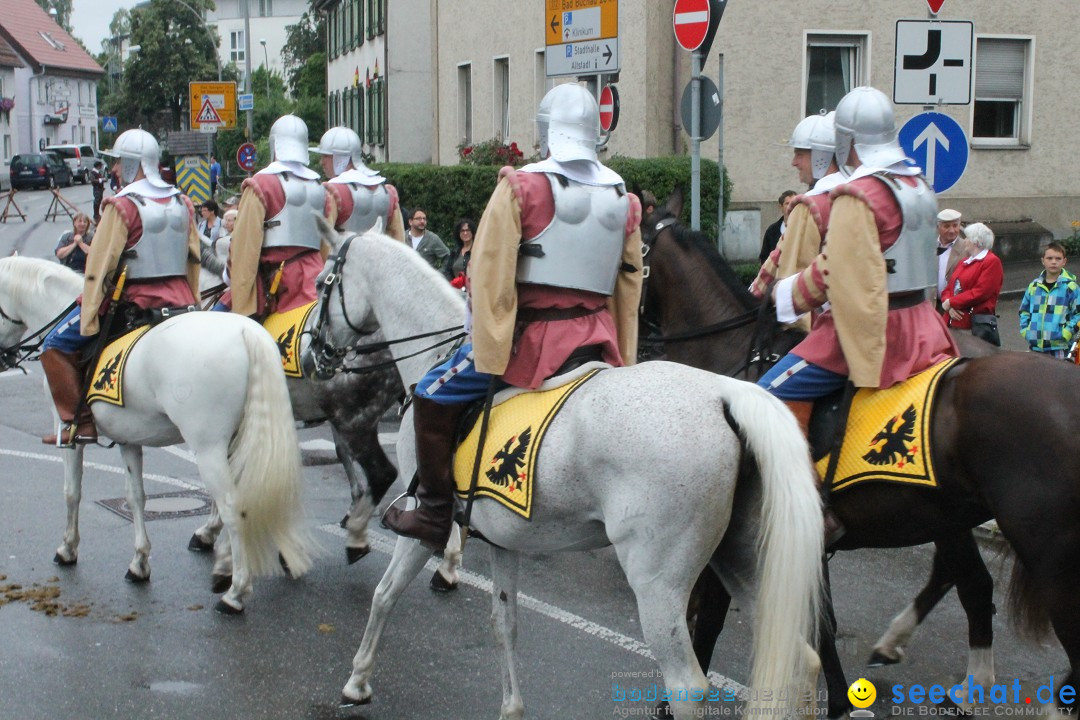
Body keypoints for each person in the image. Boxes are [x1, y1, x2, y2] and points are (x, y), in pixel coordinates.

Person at [382, 82, 644, 550]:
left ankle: (435, 513)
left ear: (545, 132)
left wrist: (486, 339)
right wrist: (625, 351)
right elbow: (628, 284)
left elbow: (489, 274)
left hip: (533, 341)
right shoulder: (623, 197)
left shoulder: (521, 187)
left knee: (430, 392)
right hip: (597, 338)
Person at [757, 87, 959, 547]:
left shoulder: (860, 194)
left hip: (871, 331)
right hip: (924, 324)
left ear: (845, 142)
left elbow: (834, 271)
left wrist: (786, 295)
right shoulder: (918, 186)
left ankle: (812, 508)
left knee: (765, 397)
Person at [38, 129, 201, 446]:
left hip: (135, 301)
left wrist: (89, 314)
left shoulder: (121, 205)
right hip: (182, 301)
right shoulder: (182, 201)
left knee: (53, 344)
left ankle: (79, 423)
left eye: (118, 162)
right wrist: (192, 300)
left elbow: (98, 270)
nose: (113, 169)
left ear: (131, 164)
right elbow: (192, 259)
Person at [217, 114, 326, 318]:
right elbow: (326, 246)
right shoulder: (319, 186)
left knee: (215, 322)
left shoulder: (262, 184)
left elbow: (244, 248)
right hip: (317, 281)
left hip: (279, 287)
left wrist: (232, 281)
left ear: (274, 145)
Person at [750, 112, 845, 331]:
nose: (794, 162)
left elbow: (791, 274)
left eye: (799, 154)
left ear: (820, 156)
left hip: (821, 330)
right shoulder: (856, 195)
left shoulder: (809, 207)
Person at [316, 126, 406, 243]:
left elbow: (324, 241)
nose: (321, 162)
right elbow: (398, 239)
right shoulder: (387, 192)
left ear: (339, 158)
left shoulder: (332, 191)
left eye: (326, 156)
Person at [941, 222, 1004, 344]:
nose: (965, 241)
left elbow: (981, 292)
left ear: (976, 241)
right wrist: (949, 305)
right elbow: (949, 287)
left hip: (972, 326)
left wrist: (951, 302)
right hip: (951, 322)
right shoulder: (964, 261)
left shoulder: (991, 261)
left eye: (967, 238)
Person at [1019, 242, 1080, 359]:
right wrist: (1026, 331)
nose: (1053, 262)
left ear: (1064, 261)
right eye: (1049, 258)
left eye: (1058, 259)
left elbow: (1078, 314)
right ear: (1043, 261)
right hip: (1035, 347)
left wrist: (1066, 333)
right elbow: (1024, 311)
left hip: (1059, 348)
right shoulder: (1034, 286)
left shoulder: (1070, 287)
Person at [406, 208, 450, 272]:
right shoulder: (402, 237)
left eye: (424, 219)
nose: (422, 221)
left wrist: (438, 274)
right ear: (410, 222)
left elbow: (448, 257)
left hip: (424, 280)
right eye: (418, 219)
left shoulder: (432, 239)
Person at [935, 208, 965, 305]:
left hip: (955, 307)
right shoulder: (929, 246)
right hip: (932, 305)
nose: (952, 230)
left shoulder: (966, 248)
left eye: (955, 226)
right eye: (946, 226)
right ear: (938, 227)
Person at [758, 190, 796, 264]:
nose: (791, 207)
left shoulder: (804, 229)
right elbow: (764, 257)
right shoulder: (772, 231)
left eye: (793, 204)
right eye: (787, 203)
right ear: (781, 207)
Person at [444, 217, 476, 288]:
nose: (465, 233)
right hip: (456, 291)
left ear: (473, 232)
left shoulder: (478, 250)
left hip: (473, 291)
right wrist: (451, 284)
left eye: (468, 230)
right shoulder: (455, 252)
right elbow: (447, 271)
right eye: (462, 231)